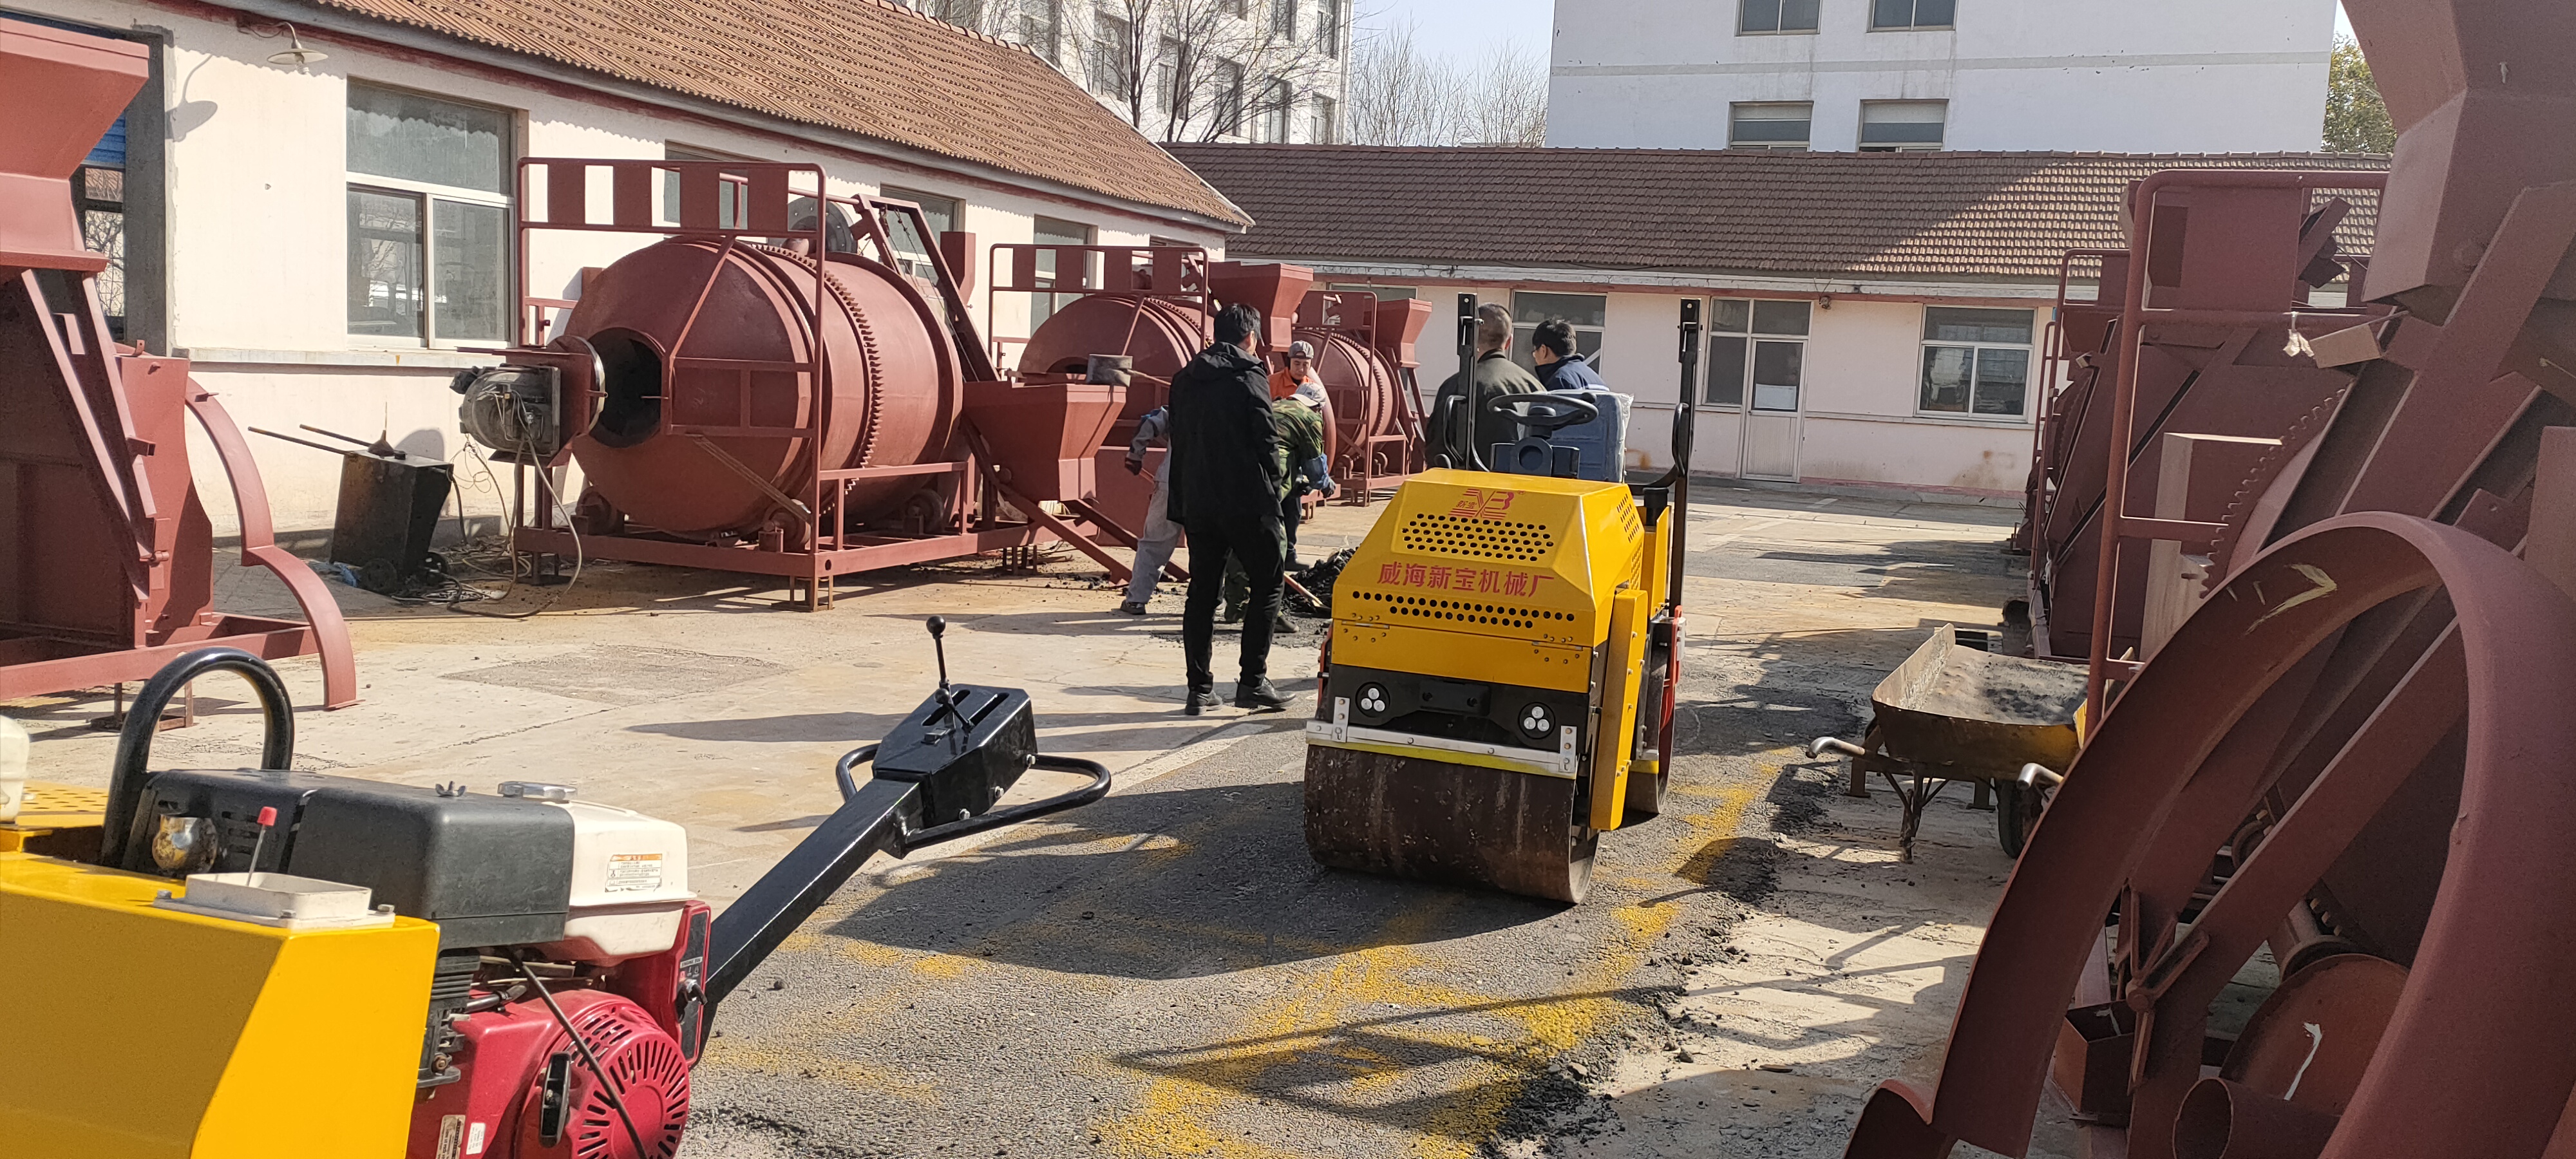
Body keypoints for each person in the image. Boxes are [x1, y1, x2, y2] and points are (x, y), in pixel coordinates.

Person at [1167, 303, 1289, 714]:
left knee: (1202, 593)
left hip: (1199, 501)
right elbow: (1266, 439)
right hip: (1247, 500)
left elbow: (1179, 438)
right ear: (1251, 337)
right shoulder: (1250, 375)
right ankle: (1252, 681)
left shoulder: (1185, 378)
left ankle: (1199, 690)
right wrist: (1274, 489)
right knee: (1269, 583)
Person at [1224, 390, 1336, 627]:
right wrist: (1326, 485)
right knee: (1274, 545)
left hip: (1233, 477)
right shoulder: (1309, 417)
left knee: (1240, 540)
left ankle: (1236, 606)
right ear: (1318, 407)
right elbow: (1316, 468)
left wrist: (1296, 481)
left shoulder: (1273, 407)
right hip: (1264, 488)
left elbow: (1280, 450)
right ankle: (1269, 613)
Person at [1430, 303, 1542, 469]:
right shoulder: (1535, 386)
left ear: (1471, 338)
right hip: (1523, 482)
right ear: (1509, 341)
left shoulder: (1456, 385)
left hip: (1465, 483)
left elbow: (1436, 449)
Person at [1529, 317, 1628, 482]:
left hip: (1574, 473)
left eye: (1535, 352)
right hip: (1602, 471)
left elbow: (1558, 438)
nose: (1535, 357)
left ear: (1544, 350)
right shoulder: (1595, 378)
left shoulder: (1560, 381)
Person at [1115, 404, 1176, 615]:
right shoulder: (1233, 402)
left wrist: (1135, 454)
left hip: (1171, 480)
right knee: (1210, 549)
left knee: (1154, 544)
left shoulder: (1184, 398)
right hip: (1211, 488)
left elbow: (1151, 421)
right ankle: (1207, 607)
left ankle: (1136, 601)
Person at [1271, 340, 1331, 410]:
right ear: (1289, 362)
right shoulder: (1271, 383)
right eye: (1297, 364)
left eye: (1305, 364)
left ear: (1310, 365)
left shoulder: (1314, 389)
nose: (1301, 369)